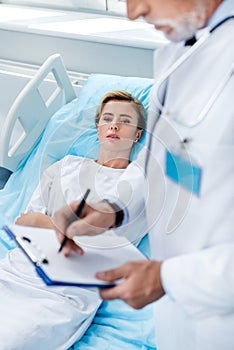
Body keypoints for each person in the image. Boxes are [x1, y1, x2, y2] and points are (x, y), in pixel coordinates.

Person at [53, 1, 234, 349]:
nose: (134, 12)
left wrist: (168, 278)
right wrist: (114, 208)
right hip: (177, 315)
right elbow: (178, 167)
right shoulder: (184, 50)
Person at [0, 90, 151, 350]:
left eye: (125, 121)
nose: (114, 125)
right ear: (98, 127)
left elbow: (102, 235)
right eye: (107, 118)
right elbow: (24, 221)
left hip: (66, 288)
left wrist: (49, 224)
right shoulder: (64, 167)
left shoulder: (139, 177)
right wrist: (64, 227)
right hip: (18, 269)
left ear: (138, 134)